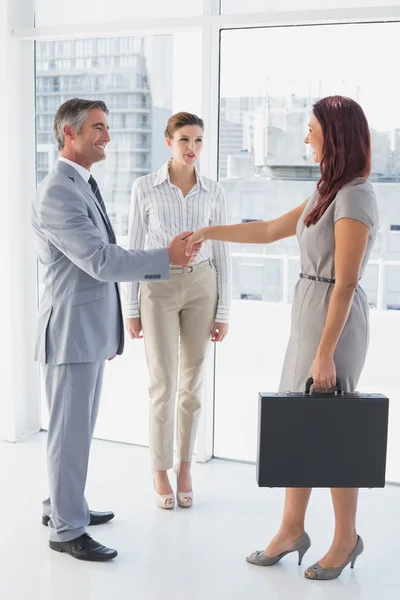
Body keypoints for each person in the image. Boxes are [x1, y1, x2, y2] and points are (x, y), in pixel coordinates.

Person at [185, 96, 379, 580]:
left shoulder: (355, 195)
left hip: (335, 322)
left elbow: (347, 281)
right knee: (299, 422)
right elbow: (271, 229)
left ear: (334, 134)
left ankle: (345, 539)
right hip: (308, 314)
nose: (306, 137)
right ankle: (292, 528)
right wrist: (208, 231)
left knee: (335, 430)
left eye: (312, 129)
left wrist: (325, 353)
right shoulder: (324, 191)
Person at [31, 98, 201, 561]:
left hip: (85, 327)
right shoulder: (58, 191)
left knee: (75, 430)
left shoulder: (79, 183)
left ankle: (62, 506)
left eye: (106, 127)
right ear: (69, 134)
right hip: (70, 330)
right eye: (97, 128)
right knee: (69, 432)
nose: (107, 136)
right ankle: (66, 530)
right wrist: (164, 257)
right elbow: (101, 260)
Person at [123, 112, 231, 509]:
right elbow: (134, 248)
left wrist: (224, 312)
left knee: (193, 385)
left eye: (199, 140)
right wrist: (130, 307)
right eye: (185, 140)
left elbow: (222, 252)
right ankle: (159, 468)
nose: (192, 148)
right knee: (163, 384)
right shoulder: (144, 188)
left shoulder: (213, 192)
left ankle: (185, 466)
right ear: (169, 142)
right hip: (158, 286)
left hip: (203, 286)